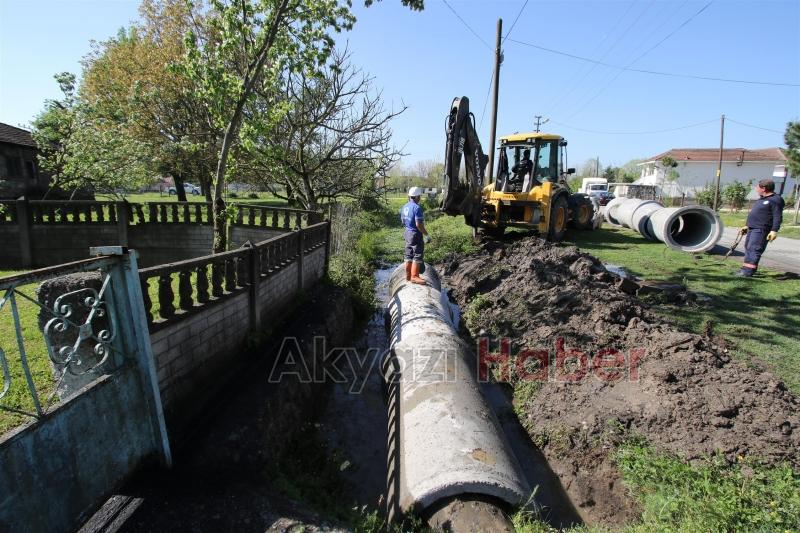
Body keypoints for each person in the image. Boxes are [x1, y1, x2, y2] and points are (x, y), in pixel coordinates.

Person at [735, 178, 784, 277]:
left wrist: (774, 230)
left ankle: (748, 272)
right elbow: (757, 214)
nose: (756, 189)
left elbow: (777, 216)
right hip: (752, 228)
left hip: (761, 230)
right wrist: (747, 226)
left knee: (754, 249)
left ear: (764, 188)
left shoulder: (775, 200)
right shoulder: (762, 199)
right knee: (748, 248)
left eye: (758, 187)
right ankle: (745, 269)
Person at [400, 186, 431, 284]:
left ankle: (408, 276)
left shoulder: (405, 206)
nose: (420, 198)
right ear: (417, 197)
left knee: (408, 254)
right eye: (419, 196)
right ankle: (414, 276)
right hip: (415, 233)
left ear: (410, 196)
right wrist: (426, 235)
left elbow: (403, 220)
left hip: (407, 232)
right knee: (417, 254)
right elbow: (419, 224)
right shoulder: (417, 208)